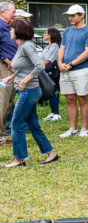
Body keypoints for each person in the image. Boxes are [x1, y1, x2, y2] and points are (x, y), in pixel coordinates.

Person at [4, 18, 58, 167]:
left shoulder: (27, 46)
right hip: (26, 90)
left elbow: (40, 66)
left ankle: (18, 159)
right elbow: (25, 67)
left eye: (11, 28)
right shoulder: (22, 46)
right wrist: (12, 76)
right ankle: (51, 153)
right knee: (33, 125)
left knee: (16, 124)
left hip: (28, 91)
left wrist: (25, 80)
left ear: (18, 30)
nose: (10, 31)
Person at [56, 4, 88, 139]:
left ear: (82, 15)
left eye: (73, 15)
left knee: (83, 98)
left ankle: (84, 128)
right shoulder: (67, 31)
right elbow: (62, 48)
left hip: (81, 70)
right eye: (69, 15)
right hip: (65, 70)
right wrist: (60, 63)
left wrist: (71, 64)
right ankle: (73, 128)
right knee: (69, 99)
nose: (70, 18)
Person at [38, 27, 62, 121]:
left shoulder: (54, 46)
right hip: (45, 71)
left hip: (51, 71)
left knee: (52, 90)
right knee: (50, 91)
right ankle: (53, 112)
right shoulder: (48, 46)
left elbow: (47, 60)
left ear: (50, 35)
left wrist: (37, 69)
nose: (44, 34)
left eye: (45, 33)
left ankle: (56, 113)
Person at [0, 1, 16, 141]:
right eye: (13, 12)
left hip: (10, 69)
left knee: (8, 101)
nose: (14, 15)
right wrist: (4, 57)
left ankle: (4, 133)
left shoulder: (6, 27)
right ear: (2, 12)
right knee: (2, 101)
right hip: (3, 69)